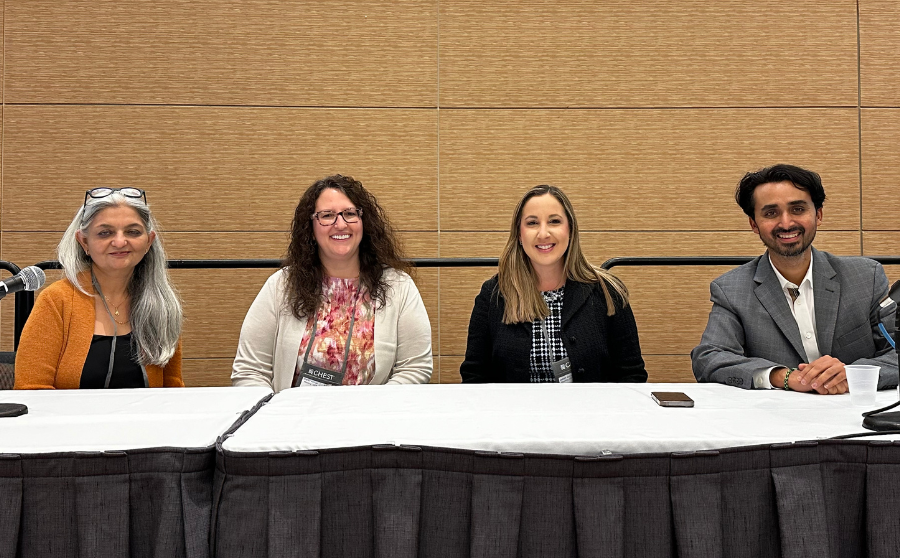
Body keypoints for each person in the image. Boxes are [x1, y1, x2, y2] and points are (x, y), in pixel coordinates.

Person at [692, 164, 898, 393]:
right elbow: (709, 359)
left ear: (818, 215)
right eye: (771, 213)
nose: (786, 223)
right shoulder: (731, 289)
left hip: (856, 414)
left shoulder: (865, 277)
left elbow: (895, 352)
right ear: (754, 224)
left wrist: (854, 374)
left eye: (798, 209)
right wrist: (783, 377)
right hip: (776, 419)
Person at [232, 174, 432, 392]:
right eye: (327, 216)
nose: (340, 224)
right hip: (294, 421)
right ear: (310, 226)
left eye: (349, 214)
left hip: (371, 420)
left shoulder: (399, 286)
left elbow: (415, 367)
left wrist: (373, 410)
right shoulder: (281, 286)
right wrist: (280, 415)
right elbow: (250, 371)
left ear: (364, 222)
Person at [460, 184, 647, 383]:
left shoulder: (608, 292)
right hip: (516, 412)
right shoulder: (494, 295)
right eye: (532, 223)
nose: (543, 233)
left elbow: (632, 376)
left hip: (590, 412)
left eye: (554, 221)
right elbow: (474, 378)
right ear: (519, 234)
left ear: (570, 229)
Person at [15, 187, 184, 389]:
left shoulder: (161, 305)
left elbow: (172, 392)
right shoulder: (56, 300)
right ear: (84, 241)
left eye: (133, 232)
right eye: (105, 233)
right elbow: (31, 389)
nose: (120, 242)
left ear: (149, 241)